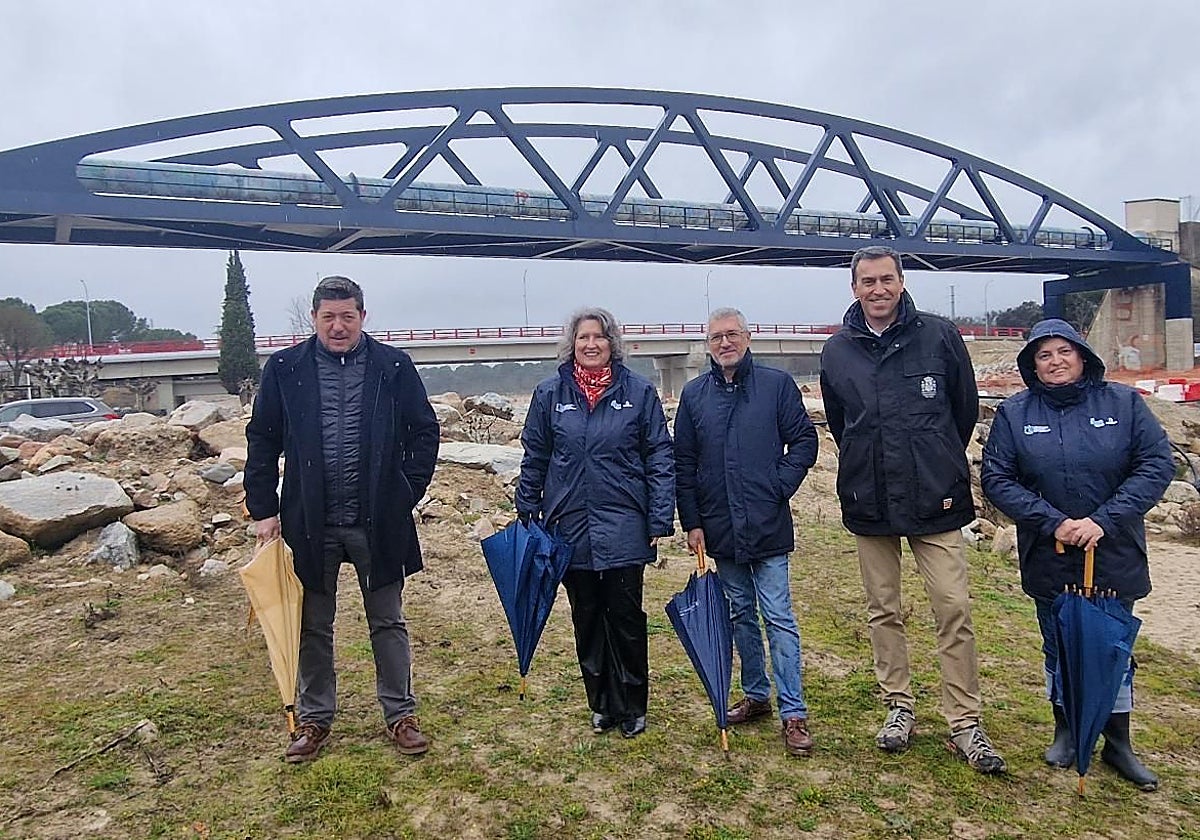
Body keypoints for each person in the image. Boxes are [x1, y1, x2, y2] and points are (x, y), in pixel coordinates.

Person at [819, 245, 1005, 774]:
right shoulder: (838, 352)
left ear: (901, 282)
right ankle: (898, 705)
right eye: (867, 282)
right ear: (854, 289)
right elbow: (842, 424)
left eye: (886, 279)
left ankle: (965, 721)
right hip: (869, 497)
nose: (877, 290)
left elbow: (963, 410)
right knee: (884, 609)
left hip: (934, 496)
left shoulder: (939, 335)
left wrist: (937, 458)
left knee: (953, 608)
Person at [245, 275, 439, 763]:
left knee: (388, 621)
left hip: (378, 520)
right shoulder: (285, 368)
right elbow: (263, 439)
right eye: (328, 317)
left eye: (347, 316)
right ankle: (313, 721)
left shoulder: (393, 366)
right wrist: (264, 508)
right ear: (314, 318)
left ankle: (400, 714)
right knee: (312, 625)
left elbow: (424, 432)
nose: (337, 326)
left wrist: (405, 492)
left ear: (362, 317)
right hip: (309, 520)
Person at [982, 318, 1172, 790]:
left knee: (1113, 649)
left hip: (1111, 550)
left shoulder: (1123, 403)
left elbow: (1155, 465)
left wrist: (1102, 521)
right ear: (1032, 364)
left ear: (1082, 355)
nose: (1055, 361)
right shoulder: (1015, 412)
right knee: (1059, 645)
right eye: (1043, 355)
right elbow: (999, 479)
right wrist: (1055, 522)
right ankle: (1067, 730)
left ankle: (1118, 742)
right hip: (1051, 553)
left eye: (1063, 351)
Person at [515, 306, 674, 739]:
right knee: (586, 615)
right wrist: (526, 507)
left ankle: (632, 703)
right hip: (569, 526)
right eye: (583, 337)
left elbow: (659, 455)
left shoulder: (638, 392)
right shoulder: (550, 394)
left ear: (611, 343)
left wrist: (660, 515)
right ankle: (600, 701)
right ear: (572, 343)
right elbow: (536, 455)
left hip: (624, 523)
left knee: (625, 616)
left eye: (599, 337)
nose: (591, 344)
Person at [675, 307, 818, 757]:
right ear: (707, 344)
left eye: (732, 334)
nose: (724, 343)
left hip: (768, 522)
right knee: (739, 615)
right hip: (720, 527)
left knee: (778, 617)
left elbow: (805, 442)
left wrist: (779, 485)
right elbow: (684, 465)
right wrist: (692, 521)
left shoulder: (776, 386)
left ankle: (793, 712)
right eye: (716, 337)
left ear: (748, 337)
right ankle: (756, 695)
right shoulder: (694, 395)